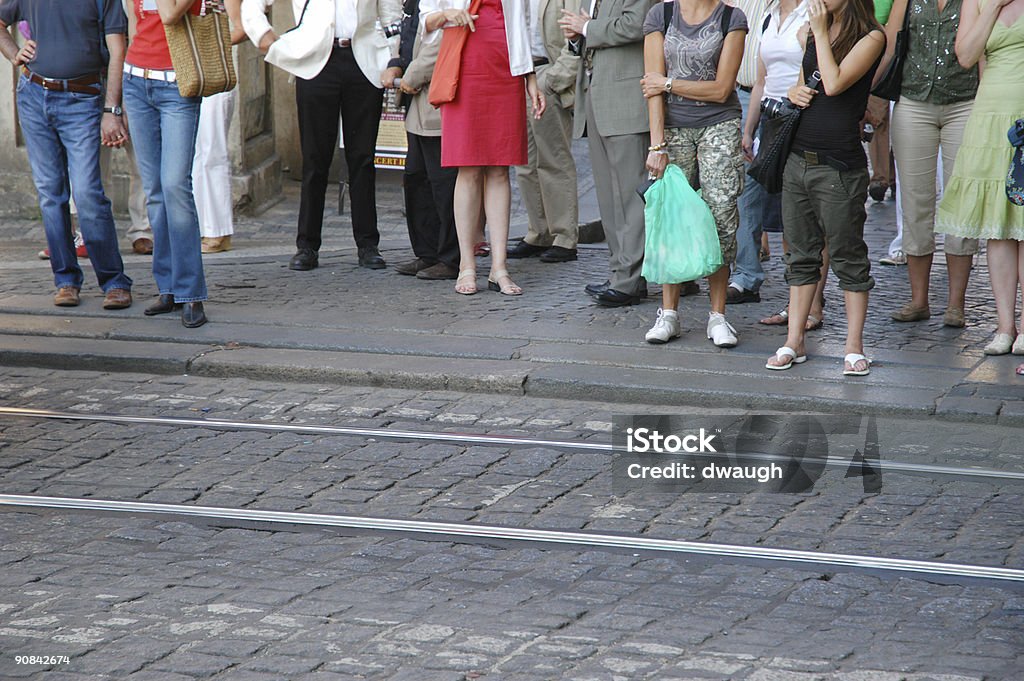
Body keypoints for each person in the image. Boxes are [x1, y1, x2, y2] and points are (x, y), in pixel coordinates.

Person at [764, 0, 884, 375]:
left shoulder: (871, 37)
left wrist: (815, 35)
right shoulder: (812, 33)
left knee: (848, 256)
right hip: (799, 160)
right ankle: (793, 341)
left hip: (839, 167)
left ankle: (853, 347)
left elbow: (833, 84)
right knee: (799, 255)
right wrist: (795, 92)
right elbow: (806, 86)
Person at [242, 0, 402, 272]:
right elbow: (251, 5)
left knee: (362, 158)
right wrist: (263, 35)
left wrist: (393, 60)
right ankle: (307, 245)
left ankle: (367, 244)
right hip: (315, 64)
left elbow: (392, 16)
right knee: (315, 160)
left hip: (363, 62)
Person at [0, 0, 134, 311]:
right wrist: (13, 53)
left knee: (87, 193)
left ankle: (114, 282)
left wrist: (111, 110)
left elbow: (118, 51)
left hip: (84, 99)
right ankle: (66, 280)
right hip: (34, 96)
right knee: (50, 194)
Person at [640, 0, 748, 347]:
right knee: (672, 215)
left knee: (721, 215)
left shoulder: (732, 17)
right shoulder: (662, 13)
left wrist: (669, 83)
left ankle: (718, 316)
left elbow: (721, 88)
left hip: (720, 124)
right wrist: (657, 145)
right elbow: (650, 87)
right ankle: (668, 313)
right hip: (672, 128)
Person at [421, 0, 545, 296]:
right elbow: (425, 17)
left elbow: (524, 26)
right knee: (468, 168)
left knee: (500, 169)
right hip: (464, 67)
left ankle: (499, 267)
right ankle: (467, 264)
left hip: (506, 70)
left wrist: (530, 79)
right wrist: (447, 14)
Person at [936, 0, 1024, 358]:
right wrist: (992, 8)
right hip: (990, 117)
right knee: (998, 226)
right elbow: (967, 56)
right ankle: (1005, 327)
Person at [884, 0, 978, 329]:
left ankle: (956, 304)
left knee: (960, 203)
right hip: (913, 101)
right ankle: (919, 300)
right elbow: (890, 39)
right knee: (915, 201)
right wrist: (871, 98)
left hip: (965, 102)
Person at [560, 0, 657, 307]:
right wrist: (578, 38)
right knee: (609, 198)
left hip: (626, 100)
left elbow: (636, 24)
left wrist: (585, 27)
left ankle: (628, 278)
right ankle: (621, 272)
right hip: (597, 98)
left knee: (630, 197)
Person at [746, 0, 830, 332]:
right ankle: (796, 303)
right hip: (773, 119)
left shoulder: (814, 10)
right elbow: (760, 82)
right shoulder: (769, 15)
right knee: (783, 222)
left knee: (808, 223)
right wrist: (749, 129)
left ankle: (814, 306)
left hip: (805, 116)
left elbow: (824, 63)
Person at [124, 0, 209, 327]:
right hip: (137, 80)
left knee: (175, 186)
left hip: (177, 83)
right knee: (155, 190)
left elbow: (171, 14)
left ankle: (191, 292)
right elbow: (135, 22)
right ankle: (168, 287)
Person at [383, 0, 461, 280]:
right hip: (417, 101)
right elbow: (408, 29)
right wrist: (395, 63)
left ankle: (451, 257)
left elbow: (445, 40)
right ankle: (427, 253)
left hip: (437, 96)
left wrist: (411, 75)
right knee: (417, 177)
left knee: (443, 183)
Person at [508, 0, 582, 264]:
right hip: (516, 74)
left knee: (553, 158)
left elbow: (577, 36)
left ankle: (564, 236)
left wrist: (553, 80)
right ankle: (538, 232)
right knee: (524, 161)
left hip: (546, 73)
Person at [193, 0, 245, 255]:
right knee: (196, 155)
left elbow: (241, 28)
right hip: (189, 72)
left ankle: (217, 231)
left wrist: (206, 45)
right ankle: (201, 226)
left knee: (211, 152)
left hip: (214, 72)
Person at [726, 0, 769, 306]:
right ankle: (746, 275)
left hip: (785, 97)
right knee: (745, 191)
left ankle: (806, 290)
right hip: (740, 93)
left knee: (795, 194)